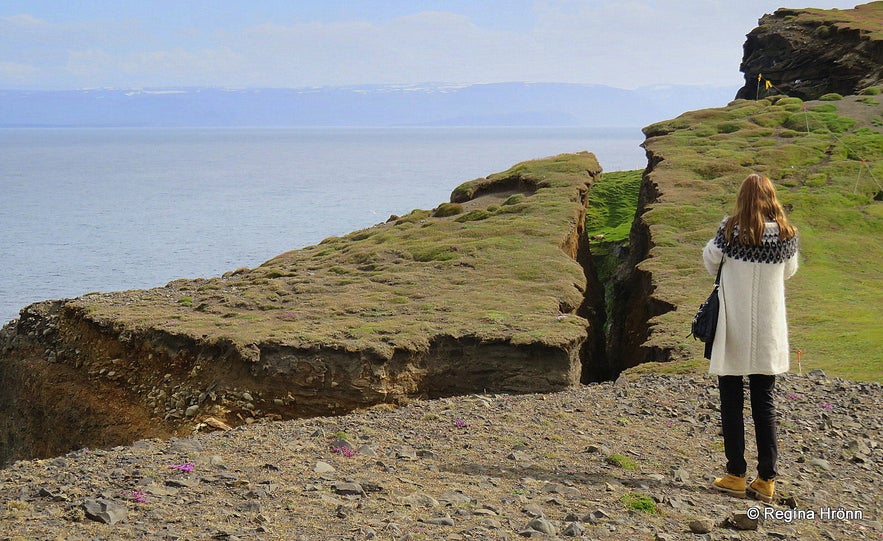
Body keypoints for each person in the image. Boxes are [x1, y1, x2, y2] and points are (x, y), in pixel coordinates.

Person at [702, 173, 799, 503]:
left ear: (743, 197)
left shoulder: (730, 229)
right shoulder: (786, 234)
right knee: (764, 402)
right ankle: (767, 479)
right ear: (771, 197)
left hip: (734, 327)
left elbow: (710, 260)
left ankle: (735, 474)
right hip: (768, 330)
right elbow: (789, 271)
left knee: (731, 400)